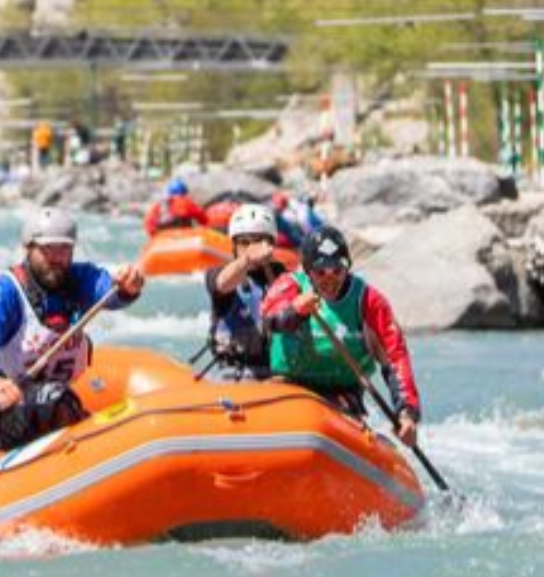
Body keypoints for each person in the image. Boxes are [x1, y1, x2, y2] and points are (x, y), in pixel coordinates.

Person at [0, 207, 146, 451]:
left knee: (56, 397)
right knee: (53, 397)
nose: (57, 258)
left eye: (64, 249)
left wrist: (126, 287)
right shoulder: (2, 292)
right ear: (29, 249)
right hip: (4, 411)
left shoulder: (78, 278)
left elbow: (106, 289)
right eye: (48, 250)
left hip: (57, 401)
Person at [261, 226, 422, 447]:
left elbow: (395, 358)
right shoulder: (290, 285)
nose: (330, 279)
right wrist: (295, 311)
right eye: (321, 272)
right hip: (288, 387)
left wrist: (406, 413)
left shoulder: (369, 301)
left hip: (341, 395)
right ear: (308, 271)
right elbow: (270, 319)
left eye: (337, 270)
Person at [203, 204, 284, 380]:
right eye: (245, 242)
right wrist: (247, 259)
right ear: (234, 246)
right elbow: (223, 284)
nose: (252, 248)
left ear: (271, 245)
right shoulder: (217, 274)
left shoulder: (283, 277)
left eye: (260, 241)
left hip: (275, 374)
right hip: (231, 373)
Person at [143, 178, 208, 236]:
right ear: (184, 193)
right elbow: (203, 219)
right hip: (184, 236)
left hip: (162, 238)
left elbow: (148, 225)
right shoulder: (186, 202)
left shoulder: (158, 205)